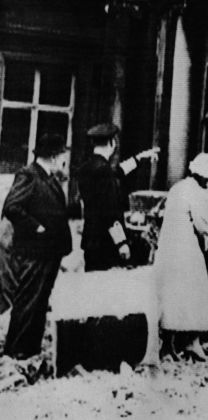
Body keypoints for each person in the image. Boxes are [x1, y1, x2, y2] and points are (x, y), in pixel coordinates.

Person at [1, 133, 72, 359]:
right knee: (27, 305)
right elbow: (12, 207)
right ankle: (15, 353)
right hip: (33, 254)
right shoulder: (28, 175)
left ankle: (30, 352)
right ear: (53, 156)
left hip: (48, 255)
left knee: (39, 306)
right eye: (62, 155)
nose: (64, 160)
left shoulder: (49, 179)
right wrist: (37, 227)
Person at [154, 152, 208, 361]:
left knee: (171, 297)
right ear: (204, 177)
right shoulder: (197, 193)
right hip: (186, 249)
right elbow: (202, 224)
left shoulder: (178, 188)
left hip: (168, 248)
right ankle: (191, 343)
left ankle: (168, 345)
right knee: (195, 295)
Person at [76, 123, 158, 271]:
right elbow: (110, 212)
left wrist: (140, 157)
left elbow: (116, 171)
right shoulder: (105, 172)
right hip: (106, 243)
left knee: (90, 286)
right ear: (112, 143)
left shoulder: (86, 169)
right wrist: (121, 242)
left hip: (91, 240)